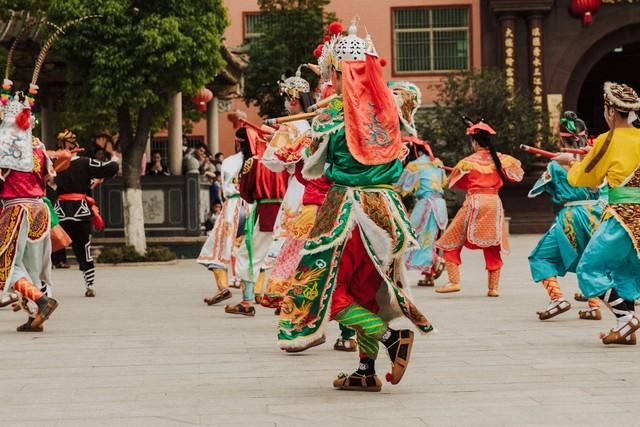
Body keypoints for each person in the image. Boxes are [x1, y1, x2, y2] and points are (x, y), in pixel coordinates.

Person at [277, 19, 433, 392]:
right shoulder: (390, 108)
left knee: (325, 290)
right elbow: (407, 92)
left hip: (345, 211)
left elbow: (313, 169)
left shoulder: (332, 115)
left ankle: (389, 338)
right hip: (388, 211)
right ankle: (365, 370)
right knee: (368, 291)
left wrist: (322, 123)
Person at [554, 82, 640, 345]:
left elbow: (585, 179)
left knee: (590, 268)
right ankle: (626, 331)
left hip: (621, 217)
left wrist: (571, 163)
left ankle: (627, 320)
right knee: (624, 270)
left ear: (611, 111)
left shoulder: (608, 140)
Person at [528, 111, 604, 321]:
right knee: (592, 258)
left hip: (572, 214)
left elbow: (547, 188)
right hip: (596, 214)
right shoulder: (595, 159)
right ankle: (593, 305)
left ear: (563, 139)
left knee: (540, 255)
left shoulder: (556, 164)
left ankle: (557, 298)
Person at [435, 121, 524, 297]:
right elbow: (517, 176)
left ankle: (454, 281)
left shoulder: (467, 162)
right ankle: (493, 288)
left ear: (475, 142)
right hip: (494, 203)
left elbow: (454, 182)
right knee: (492, 244)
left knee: (450, 239)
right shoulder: (502, 159)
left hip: (475, 202)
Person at [0, 88, 59, 332]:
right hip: (39, 209)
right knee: (31, 268)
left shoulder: (3, 145)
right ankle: (36, 316)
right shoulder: (38, 145)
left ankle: (42, 300)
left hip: (16, 209)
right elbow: (50, 178)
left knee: (6, 263)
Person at [224, 127, 289, 316]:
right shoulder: (285, 158)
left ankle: (246, 301)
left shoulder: (254, 161)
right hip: (290, 211)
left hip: (266, 212)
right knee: (285, 256)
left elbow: (246, 193)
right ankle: (284, 300)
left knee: (248, 254)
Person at [52, 129, 119, 297]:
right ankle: (90, 284)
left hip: (59, 211)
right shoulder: (85, 162)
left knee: (49, 247)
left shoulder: (54, 164)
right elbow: (110, 168)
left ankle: (42, 285)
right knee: (83, 246)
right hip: (80, 211)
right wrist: (115, 158)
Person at [197, 142, 251, 306]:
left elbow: (226, 185)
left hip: (232, 207)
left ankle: (223, 286)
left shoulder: (230, 161)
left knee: (217, 249)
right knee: (248, 252)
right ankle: (250, 294)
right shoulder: (259, 160)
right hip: (251, 207)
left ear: (237, 143)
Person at [395, 137, 448, 287]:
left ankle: (435, 260)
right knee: (431, 239)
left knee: (414, 238)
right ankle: (428, 275)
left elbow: (401, 187)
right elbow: (443, 182)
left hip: (426, 205)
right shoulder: (437, 162)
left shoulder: (414, 166)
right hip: (440, 205)